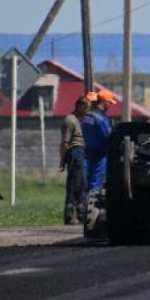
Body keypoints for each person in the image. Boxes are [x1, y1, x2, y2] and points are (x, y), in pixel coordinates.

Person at [60, 96, 89, 225]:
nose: (87, 112)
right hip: (74, 152)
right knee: (74, 185)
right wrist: (63, 159)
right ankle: (69, 215)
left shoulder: (79, 120)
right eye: (86, 109)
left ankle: (81, 215)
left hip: (80, 152)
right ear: (80, 107)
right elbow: (65, 143)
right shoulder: (70, 120)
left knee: (82, 184)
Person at [81, 90, 115, 193]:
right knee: (95, 184)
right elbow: (108, 136)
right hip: (100, 155)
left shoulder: (85, 116)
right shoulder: (102, 119)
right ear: (105, 102)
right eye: (110, 103)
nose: (110, 106)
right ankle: (92, 205)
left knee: (83, 182)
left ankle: (81, 205)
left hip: (85, 153)